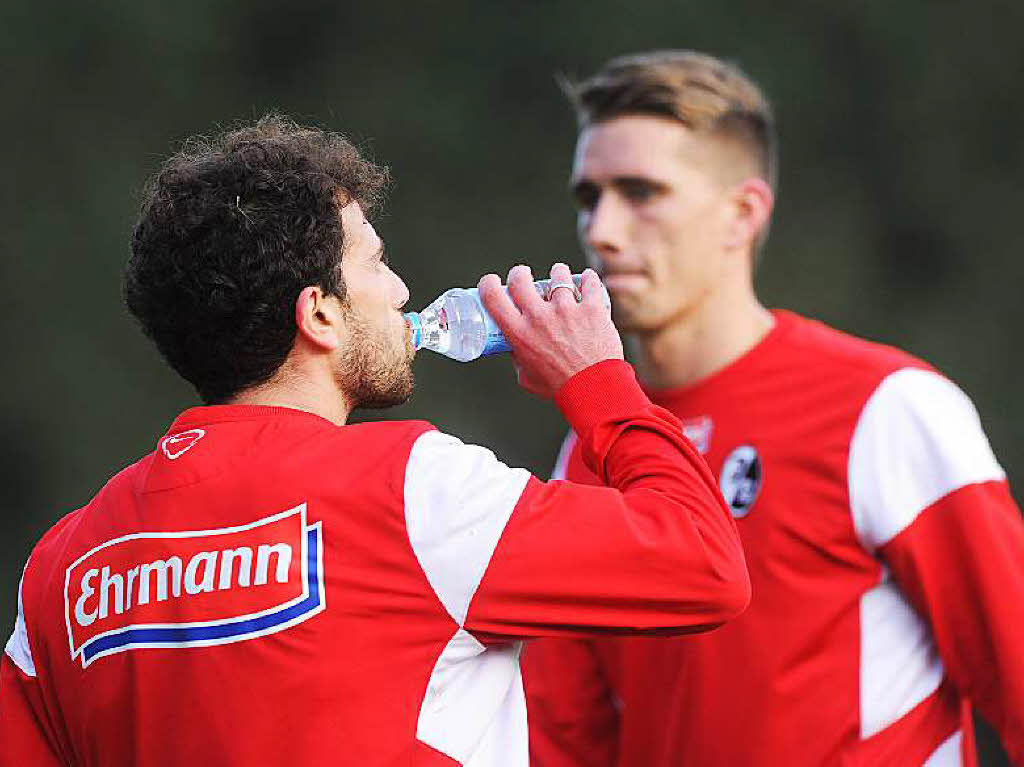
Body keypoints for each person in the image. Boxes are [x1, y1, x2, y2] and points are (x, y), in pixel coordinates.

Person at [0, 114, 749, 767]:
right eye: (377, 263)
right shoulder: (413, 488)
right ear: (319, 315)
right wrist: (598, 381)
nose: (399, 292)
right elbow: (703, 561)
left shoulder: (62, 565)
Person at [522, 51, 1024, 766]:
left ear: (743, 214)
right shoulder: (589, 450)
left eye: (641, 192)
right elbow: (566, 737)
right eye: (588, 197)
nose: (601, 229)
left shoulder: (886, 408)